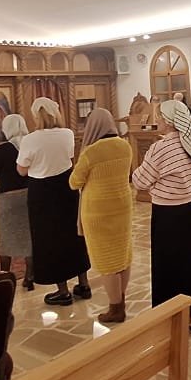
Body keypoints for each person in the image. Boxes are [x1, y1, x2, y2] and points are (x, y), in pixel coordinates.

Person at [132, 100, 191, 333]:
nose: (158, 120)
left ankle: (168, 315)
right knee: (189, 262)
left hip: (166, 213)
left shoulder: (161, 148)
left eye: (160, 116)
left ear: (169, 121)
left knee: (167, 264)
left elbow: (140, 181)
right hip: (188, 209)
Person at [17, 97, 92, 306]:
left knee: (50, 239)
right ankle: (84, 284)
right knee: (74, 235)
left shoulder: (30, 139)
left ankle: (63, 291)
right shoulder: (67, 133)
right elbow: (69, 158)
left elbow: (21, 170)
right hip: (66, 188)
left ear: (35, 116)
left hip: (42, 193)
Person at [69, 109, 135, 324]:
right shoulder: (125, 145)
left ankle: (115, 309)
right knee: (123, 256)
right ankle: (120, 301)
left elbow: (74, 182)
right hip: (122, 206)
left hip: (98, 212)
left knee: (106, 260)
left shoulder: (91, 152)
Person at [0, 114, 34, 290]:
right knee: (29, 236)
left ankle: (4, 276)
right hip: (29, 194)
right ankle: (29, 277)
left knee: (6, 237)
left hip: (8, 197)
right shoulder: (30, 144)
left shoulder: (3, 148)